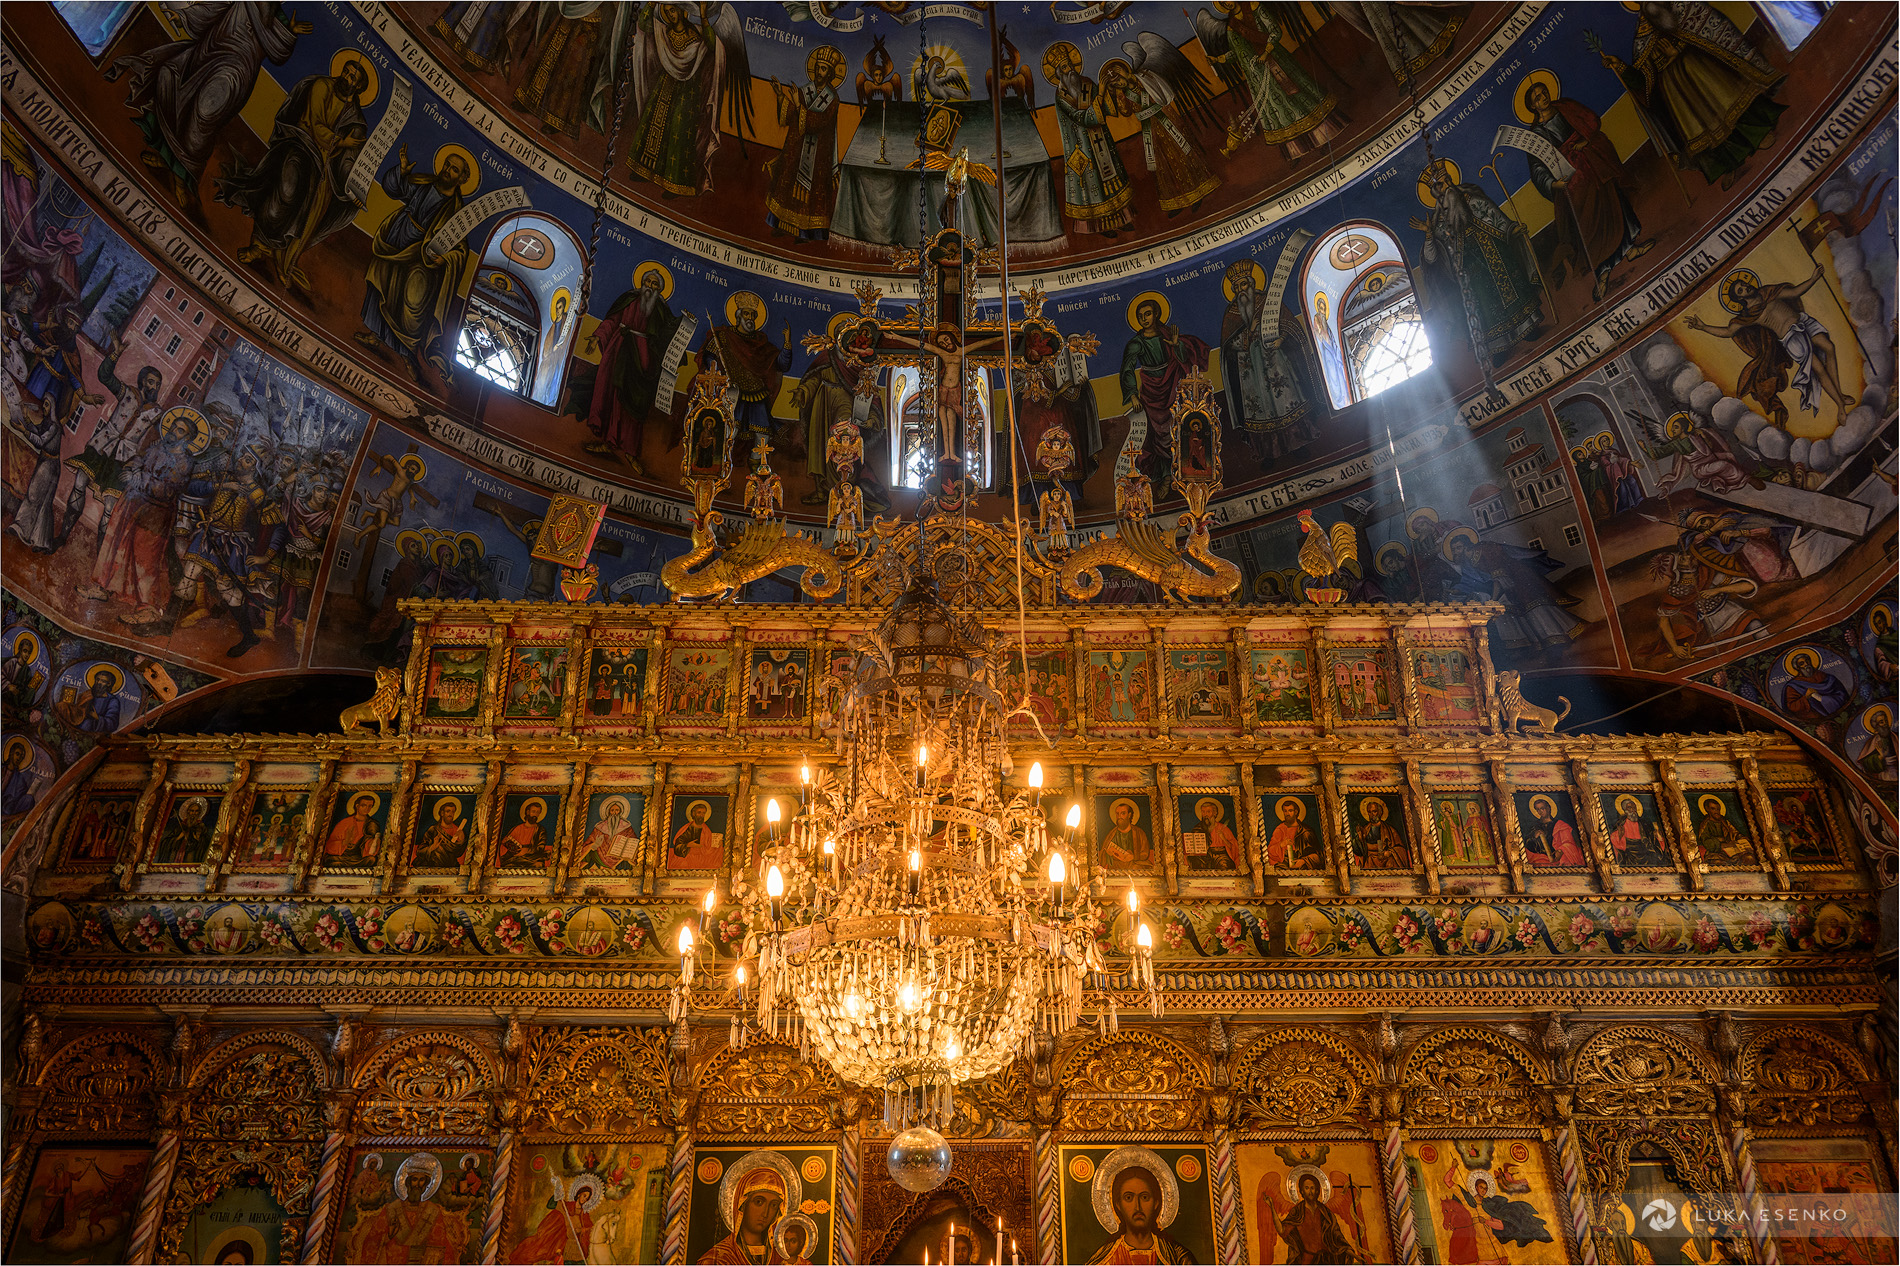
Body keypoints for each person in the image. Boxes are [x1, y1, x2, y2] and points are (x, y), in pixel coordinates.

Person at [106, 1, 309, 210]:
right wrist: (183, 17)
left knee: (205, 113)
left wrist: (289, 33)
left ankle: (182, 177)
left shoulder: (279, 19)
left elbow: (278, 53)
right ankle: (165, 157)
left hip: (236, 73)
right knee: (172, 80)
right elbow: (213, 10)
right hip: (210, 54)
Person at [216, 55, 370, 289]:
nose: (346, 77)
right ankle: (259, 244)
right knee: (287, 189)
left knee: (310, 208)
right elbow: (315, 124)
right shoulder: (322, 86)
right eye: (346, 71)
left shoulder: (356, 119)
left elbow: (349, 162)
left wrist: (354, 190)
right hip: (300, 142)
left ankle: (278, 253)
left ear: (358, 87)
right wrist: (341, 141)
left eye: (352, 78)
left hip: (323, 167)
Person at [1596, 2, 1785, 190]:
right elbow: (1643, 82)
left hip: (1696, 68)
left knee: (1729, 104)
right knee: (1704, 130)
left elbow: (1698, 32)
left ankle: (1758, 136)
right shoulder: (1640, 40)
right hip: (1676, 93)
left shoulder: (1676, 8)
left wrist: (1676, 51)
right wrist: (1621, 67)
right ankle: (1730, 165)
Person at [1518, 78, 1652, 301]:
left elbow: (1590, 120)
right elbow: (1537, 168)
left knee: (1614, 204)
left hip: (1590, 165)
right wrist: (1552, 184)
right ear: (1533, 106)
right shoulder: (1535, 135)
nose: (1544, 98)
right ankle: (1603, 272)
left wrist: (1585, 139)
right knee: (1588, 226)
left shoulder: (1565, 107)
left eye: (1544, 92)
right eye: (1538, 98)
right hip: (1572, 183)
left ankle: (1630, 248)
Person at [356, 146, 475, 384]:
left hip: (424, 259)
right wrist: (401, 171)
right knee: (384, 283)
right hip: (398, 239)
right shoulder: (424, 183)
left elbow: (461, 249)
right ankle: (376, 335)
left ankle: (407, 353)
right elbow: (394, 189)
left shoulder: (458, 213)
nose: (447, 171)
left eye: (454, 169)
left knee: (414, 304)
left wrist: (446, 259)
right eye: (446, 165)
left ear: (462, 178)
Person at [1687, 265, 1855, 428]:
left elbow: (1795, 292)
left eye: (1744, 284)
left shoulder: (1768, 292)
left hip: (1803, 322)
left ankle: (1840, 394)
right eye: (1741, 290)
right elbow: (1729, 331)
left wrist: (1813, 278)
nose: (1745, 287)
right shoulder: (1749, 315)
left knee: (1829, 347)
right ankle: (1840, 406)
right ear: (1740, 299)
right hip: (1792, 338)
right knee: (1818, 369)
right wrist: (1703, 327)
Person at [1416, 159, 1543, 366]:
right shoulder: (1437, 223)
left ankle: (1527, 327)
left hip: (1493, 251)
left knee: (1511, 287)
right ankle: (1499, 346)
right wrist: (1429, 235)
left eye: (1448, 180)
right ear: (1435, 193)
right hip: (1469, 269)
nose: (1447, 186)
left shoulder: (1470, 197)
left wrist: (1510, 229)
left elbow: (1492, 215)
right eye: (1441, 184)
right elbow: (1432, 258)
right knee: (1483, 305)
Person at [626, 4, 749, 197]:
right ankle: (644, 170)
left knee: (679, 132)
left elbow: (713, 46)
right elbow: (644, 24)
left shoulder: (698, 34)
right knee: (653, 125)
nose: (671, 15)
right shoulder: (664, 32)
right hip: (666, 85)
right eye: (667, 11)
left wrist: (704, 16)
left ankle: (675, 183)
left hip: (687, 94)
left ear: (683, 12)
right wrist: (650, 4)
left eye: (673, 10)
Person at [62, 336, 165, 556]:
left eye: (157, 384)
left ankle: (98, 556)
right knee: (79, 482)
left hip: (123, 459)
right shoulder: (127, 392)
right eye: (150, 381)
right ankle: (63, 535)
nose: (153, 387)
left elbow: (161, 439)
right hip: (103, 446)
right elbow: (104, 376)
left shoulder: (157, 414)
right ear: (142, 381)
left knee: (109, 507)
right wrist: (116, 353)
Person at [583, 266, 683, 474]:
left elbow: (670, 335)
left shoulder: (661, 310)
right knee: (614, 398)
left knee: (635, 406)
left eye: (655, 284)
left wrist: (684, 323)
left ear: (660, 289)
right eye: (648, 282)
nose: (650, 287)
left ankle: (631, 452)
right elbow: (612, 321)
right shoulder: (628, 300)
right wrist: (597, 336)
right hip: (619, 352)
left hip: (644, 361)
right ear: (641, 283)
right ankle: (608, 442)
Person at [1220, 260, 1316, 464]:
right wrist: (1249, 331)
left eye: (1243, 284)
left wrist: (1282, 339)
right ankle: (1268, 454)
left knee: (1286, 401)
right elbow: (1228, 347)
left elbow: (1288, 324)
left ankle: (1298, 444)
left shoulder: (1269, 301)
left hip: (1275, 362)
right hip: (1250, 372)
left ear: (1252, 283)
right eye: (1236, 287)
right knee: (1260, 410)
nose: (1241, 290)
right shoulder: (1232, 313)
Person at [1119, 298, 1210, 490]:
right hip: (1151, 392)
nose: (1144, 319)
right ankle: (1166, 476)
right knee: (1157, 433)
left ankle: (1186, 471)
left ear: (1156, 314)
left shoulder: (1167, 335)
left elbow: (1185, 359)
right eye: (1140, 316)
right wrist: (1133, 395)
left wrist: (1177, 345)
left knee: (1177, 427)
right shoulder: (1136, 343)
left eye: (1148, 314)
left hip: (1173, 385)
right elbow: (1127, 369)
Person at [1046, 45, 1134, 238]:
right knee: (1094, 188)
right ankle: (1101, 227)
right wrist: (1100, 94)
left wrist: (1110, 90)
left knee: (1110, 180)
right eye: (1065, 67)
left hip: (1100, 140)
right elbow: (1082, 117)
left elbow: (1105, 107)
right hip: (1082, 148)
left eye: (1070, 64)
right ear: (1059, 73)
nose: (1070, 69)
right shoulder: (1061, 97)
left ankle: (1121, 219)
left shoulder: (1086, 83)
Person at [695, 295, 792, 461]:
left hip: (757, 394)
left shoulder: (761, 344)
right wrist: (717, 371)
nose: (750, 318)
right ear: (738, 316)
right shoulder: (724, 337)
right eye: (746, 314)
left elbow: (781, 365)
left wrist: (787, 344)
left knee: (762, 437)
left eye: (753, 315)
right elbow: (709, 356)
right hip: (733, 392)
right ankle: (719, 464)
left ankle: (758, 471)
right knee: (730, 430)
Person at [764, 48, 844, 240]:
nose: (819, 72)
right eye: (817, 67)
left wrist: (799, 106)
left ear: (830, 74)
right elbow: (790, 115)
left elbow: (818, 123)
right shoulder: (804, 90)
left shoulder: (832, 99)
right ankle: (782, 225)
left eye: (823, 69)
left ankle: (806, 233)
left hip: (817, 158)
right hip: (797, 150)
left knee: (812, 195)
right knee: (787, 185)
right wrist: (780, 96)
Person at [346, 1157, 469, 1264]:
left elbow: (442, 1245)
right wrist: (388, 1236)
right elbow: (370, 1244)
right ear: (408, 1182)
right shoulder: (390, 1210)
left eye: (422, 1180)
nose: (417, 1184)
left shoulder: (433, 1211)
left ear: (426, 1184)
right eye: (414, 1179)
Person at [1088, 1163, 1196, 1264]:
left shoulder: (1179, 1258)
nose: (1137, 1207)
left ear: (1156, 1203)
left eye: (1144, 1197)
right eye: (1128, 1198)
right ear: (1118, 1205)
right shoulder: (1103, 1260)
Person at [696, 1165, 787, 1265]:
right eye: (758, 1202)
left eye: (774, 1205)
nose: (765, 1213)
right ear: (742, 1205)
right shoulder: (717, 1259)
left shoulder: (782, 1257)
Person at [1277, 1173, 1361, 1264]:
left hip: (1327, 1261)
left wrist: (1354, 1255)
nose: (1310, 1191)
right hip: (1306, 1260)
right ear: (1301, 1191)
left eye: (1312, 1188)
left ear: (1317, 1190)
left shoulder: (1325, 1212)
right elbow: (1282, 1231)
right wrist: (1272, 1209)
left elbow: (1337, 1236)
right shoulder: (1297, 1212)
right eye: (1307, 1188)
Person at [1780, 650, 1849, 721]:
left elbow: (1842, 694)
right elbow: (1791, 706)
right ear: (1797, 668)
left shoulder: (1825, 676)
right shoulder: (1793, 685)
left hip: (1837, 711)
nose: (1806, 664)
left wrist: (1824, 699)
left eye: (1807, 661)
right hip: (1814, 718)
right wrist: (1806, 697)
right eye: (1802, 663)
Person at [579, 797, 642, 872]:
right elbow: (588, 843)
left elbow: (633, 843)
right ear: (608, 811)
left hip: (620, 860)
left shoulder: (627, 827)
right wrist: (595, 845)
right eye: (612, 810)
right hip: (601, 857)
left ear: (620, 812)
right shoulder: (600, 827)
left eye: (617, 810)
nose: (614, 813)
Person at [1523, 796, 1585, 867]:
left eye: (1542, 808)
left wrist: (1561, 850)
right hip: (1540, 858)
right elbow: (1526, 843)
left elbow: (1569, 843)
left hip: (1558, 858)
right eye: (1538, 809)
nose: (1540, 811)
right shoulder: (1535, 826)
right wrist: (1534, 836)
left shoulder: (1560, 825)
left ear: (1548, 808)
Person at [414, 798, 468, 869]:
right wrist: (432, 847)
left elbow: (458, 853)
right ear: (442, 813)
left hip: (451, 867)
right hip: (432, 866)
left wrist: (461, 841)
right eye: (448, 811)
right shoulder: (433, 830)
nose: (451, 814)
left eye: (453, 812)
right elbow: (420, 851)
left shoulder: (458, 831)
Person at [498, 798, 551, 870]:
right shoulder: (518, 828)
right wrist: (505, 842)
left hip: (532, 857)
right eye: (533, 811)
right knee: (509, 866)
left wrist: (527, 850)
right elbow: (506, 844)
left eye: (538, 812)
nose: (535, 815)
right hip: (516, 857)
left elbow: (540, 848)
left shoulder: (540, 830)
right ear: (528, 812)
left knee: (538, 865)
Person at [1355, 799, 1410, 870]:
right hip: (1370, 859)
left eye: (1374, 811)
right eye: (1369, 812)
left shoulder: (1389, 830)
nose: (1372, 814)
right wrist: (1360, 839)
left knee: (1391, 862)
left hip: (1385, 858)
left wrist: (1390, 852)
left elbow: (1401, 849)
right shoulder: (1365, 829)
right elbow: (1360, 849)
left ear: (1380, 812)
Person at [1099, 797, 1152, 869]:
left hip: (1134, 865)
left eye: (1123, 813)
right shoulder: (1112, 834)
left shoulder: (1139, 832)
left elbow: (1145, 853)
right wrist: (1108, 854)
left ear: (1129, 815)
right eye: (1117, 814)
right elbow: (1103, 856)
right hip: (1116, 866)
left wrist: (1133, 857)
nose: (1119, 816)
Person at [1267, 798, 1320, 870]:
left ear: (1296, 812)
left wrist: (1304, 861)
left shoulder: (1306, 831)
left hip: (1303, 866)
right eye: (1285, 811)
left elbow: (1319, 855)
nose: (1287, 814)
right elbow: (1269, 852)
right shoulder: (1280, 829)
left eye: (1290, 811)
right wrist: (1281, 844)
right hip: (1283, 865)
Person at [1192, 797, 1244, 870]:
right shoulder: (1198, 828)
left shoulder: (1223, 828)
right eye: (1203, 812)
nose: (1205, 814)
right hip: (1205, 856)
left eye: (1208, 812)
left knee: (1224, 865)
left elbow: (1233, 847)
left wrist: (1223, 838)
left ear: (1215, 813)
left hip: (1221, 856)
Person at [158, 796, 212, 864]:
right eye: (192, 811)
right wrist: (178, 838)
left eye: (196, 811)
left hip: (192, 850)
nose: (194, 813)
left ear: (199, 813)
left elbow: (205, 840)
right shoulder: (182, 825)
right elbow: (166, 841)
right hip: (177, 850)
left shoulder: (201, 826)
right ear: (188, 811)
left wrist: (197, 838)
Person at [670, 799, 724, 868]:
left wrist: (719, 845)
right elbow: (677, 847)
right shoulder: (687, 828)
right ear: (693, 814)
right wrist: (688, 845)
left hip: (703, 856)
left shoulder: (706, 830)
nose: (701, 815)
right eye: (699, 812)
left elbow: (708, 849)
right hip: (687, 856)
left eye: (703, 813)